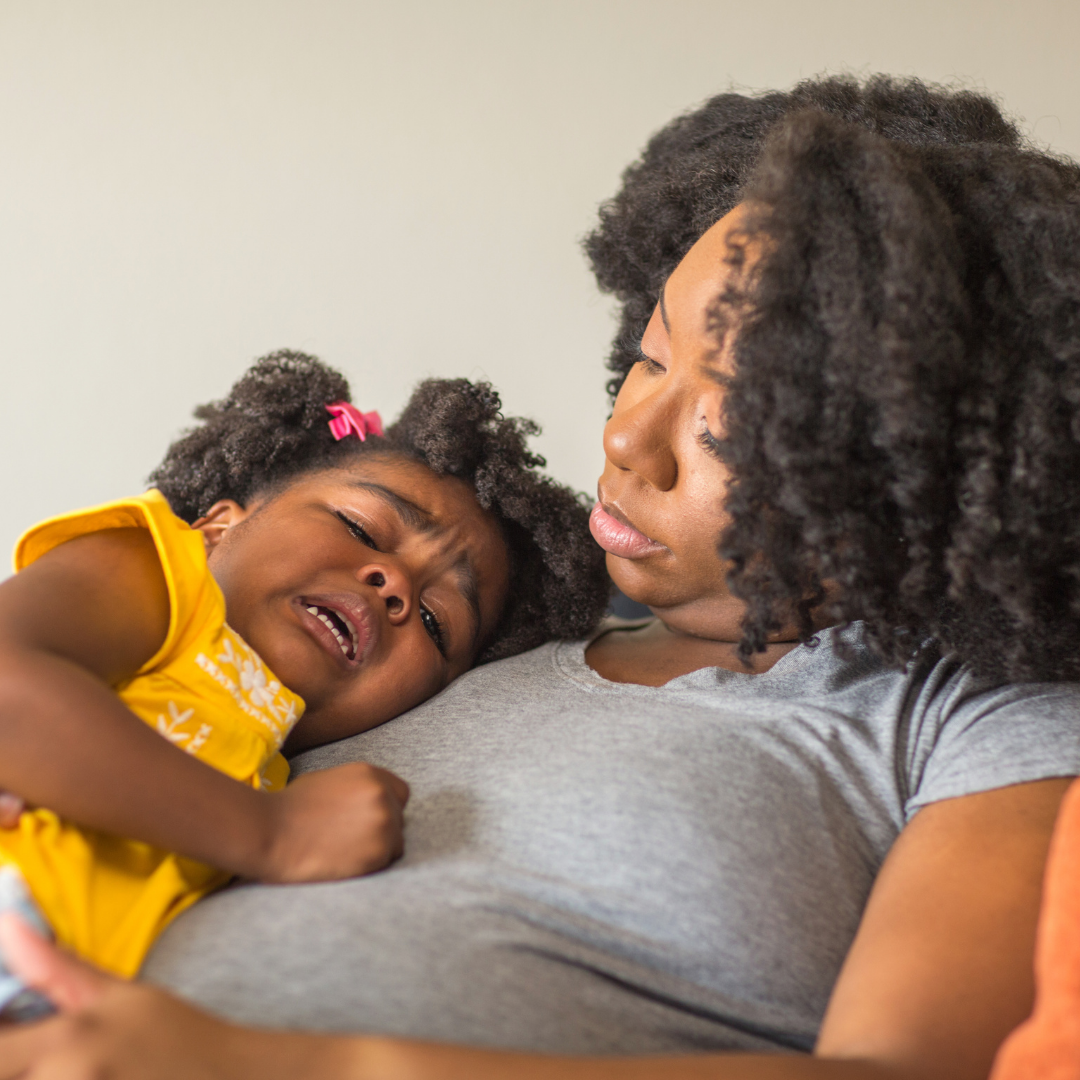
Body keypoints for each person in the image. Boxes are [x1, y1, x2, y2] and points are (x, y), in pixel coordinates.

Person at [1, 73, 1079, 1080]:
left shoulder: (977, 715)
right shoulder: (503, 616)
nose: (626, 439)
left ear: (924, 470)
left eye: (727, 427)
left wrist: (287, 1064)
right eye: (650, 356)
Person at [0, 351, 609, 1016]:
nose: (396, 584)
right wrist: (273, 833)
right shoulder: (163, 575)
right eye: (361, 527)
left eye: (436, 624)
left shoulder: (272, 767)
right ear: (219, 525)